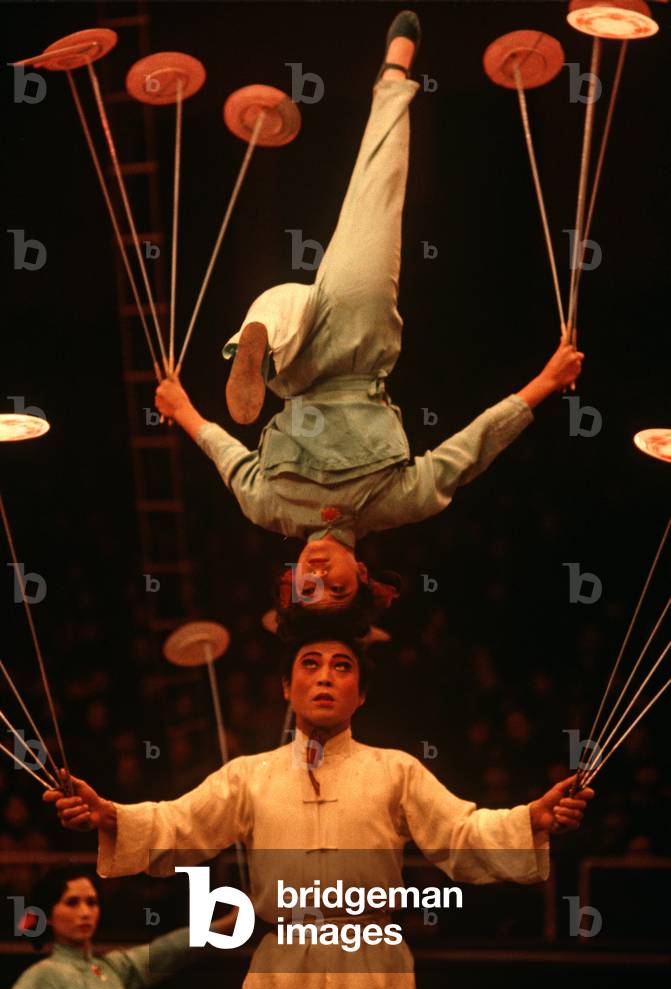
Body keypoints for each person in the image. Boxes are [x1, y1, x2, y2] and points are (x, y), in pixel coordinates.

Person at [155, 11, 585, 613]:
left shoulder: (267, 508)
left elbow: (221, 449)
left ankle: (255, 340)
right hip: (359, 350)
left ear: (291, 577)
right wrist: (546, 382)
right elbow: (472, 448)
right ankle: (394, 74)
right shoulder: (395, 507)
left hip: (296, 374)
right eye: (338, 588)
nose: (321, 576)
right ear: (362, 572)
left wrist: (181, 408)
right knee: (376, 206)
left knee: (281, 311)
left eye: (308, 589)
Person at [44, 633, 594, 989]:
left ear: (362, 693)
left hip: (373, 977)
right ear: (286, 687)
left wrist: (531, 820)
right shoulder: (248, 775)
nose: (325, 676)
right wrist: (110, 815)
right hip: (281, 975)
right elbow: (178, 823)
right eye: (310, 664)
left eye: (341, 666)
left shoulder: (396, 768)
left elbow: (463, 833)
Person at [0, 865, 235, 989]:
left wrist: (231, 922)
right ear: (49, 915)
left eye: (91, 902)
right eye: (72, 902)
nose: (85, 912)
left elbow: (171, 949)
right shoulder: (48, 973)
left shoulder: (112, 968)